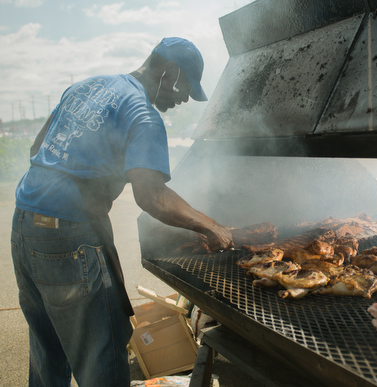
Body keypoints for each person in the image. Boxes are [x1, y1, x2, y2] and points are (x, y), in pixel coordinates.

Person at [10, 37, 234, 387]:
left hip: (24, 225)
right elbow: (152, 196)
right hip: (68, 240)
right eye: (185, 88)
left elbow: (38, 147)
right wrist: (210, 225)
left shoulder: (86, 87)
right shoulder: (143, 114)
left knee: (48, 349)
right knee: (103, 353)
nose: (183, 100)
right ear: (170, 72)